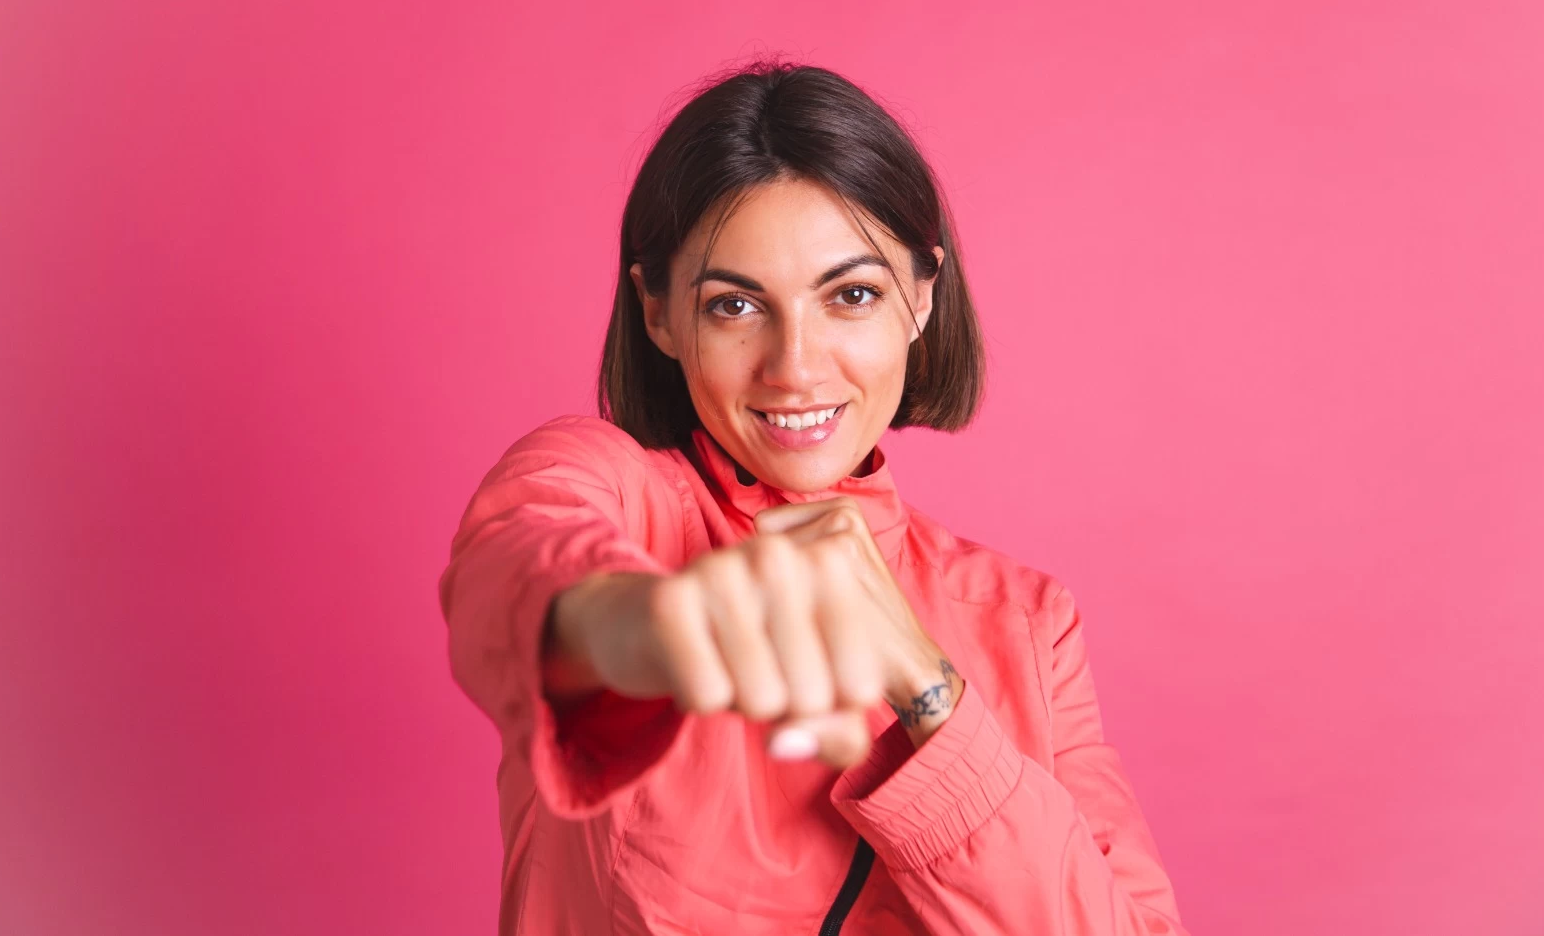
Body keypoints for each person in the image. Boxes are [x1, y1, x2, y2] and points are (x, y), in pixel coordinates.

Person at [438, 60, 1189, 935]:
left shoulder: (1028, 621)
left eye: (852, 295)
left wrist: (926, 686)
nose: (794, 367)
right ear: (658, 312)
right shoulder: (612, 492)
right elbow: (521, 561)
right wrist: (646, 628)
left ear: (921, 296)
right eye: (734, 306)